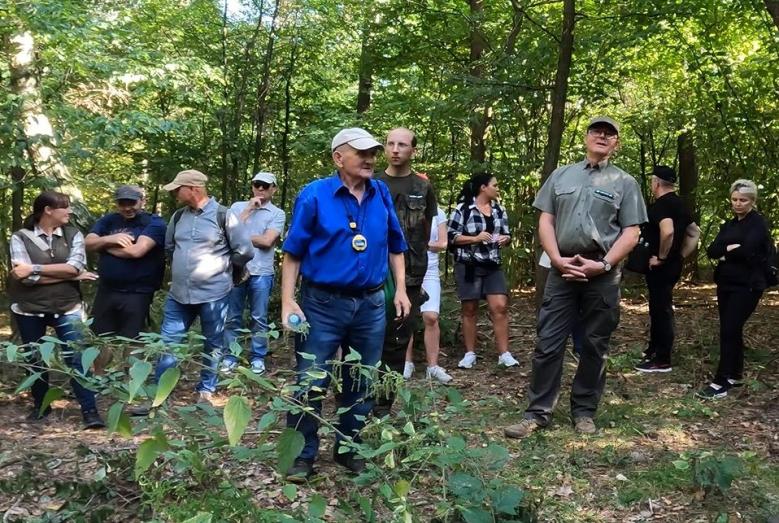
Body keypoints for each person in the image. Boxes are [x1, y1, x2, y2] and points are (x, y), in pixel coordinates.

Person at [504, 116, 647, 438]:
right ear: (586, 136)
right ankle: (537, 413)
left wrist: (604, 265)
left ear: (616, 143)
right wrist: (556, 258)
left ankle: (584, 412)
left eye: (609, 133)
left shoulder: (625, 182)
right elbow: (546, 220)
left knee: (595, 345)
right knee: (548, 343)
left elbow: (632, 232)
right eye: (597, 130)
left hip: (602, 273)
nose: (602, 136)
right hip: (562, 269)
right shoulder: (561, 175)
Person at [281, 128, 410, 481]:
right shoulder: (314, 195)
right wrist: (288, 300)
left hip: (370, 304)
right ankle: (301, 456)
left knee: (362, 379)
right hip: (322, 303)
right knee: (311, 379)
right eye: (361, 153)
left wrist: (400, 289)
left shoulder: (380, 193)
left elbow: (396, 245)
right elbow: (293, 252)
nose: (370, 159)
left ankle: (348, 449)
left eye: (373, 153)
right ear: (339, 157)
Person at [8, 191, 104, 428]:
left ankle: (89, 410)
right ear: (48, 210)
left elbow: (74, 267)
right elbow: (24, 278)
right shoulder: (20, 237)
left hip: (67, 307)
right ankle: (41, 406)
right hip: (29, 309)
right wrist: (70, 275)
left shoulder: (73, 234)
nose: (69, 211)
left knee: (78, 358)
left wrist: (35, 269)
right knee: (35, 359)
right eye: (65, 207)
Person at [154, 170, 253, 401]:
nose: (175, 193)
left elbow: (245, 251)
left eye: (178, 189)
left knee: (213, 343)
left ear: (194, 189)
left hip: (214, 295)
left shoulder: (224, 215)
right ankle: (160, 395)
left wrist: (224, 268)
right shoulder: (178, 216)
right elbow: (170, 247)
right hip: (179, 295)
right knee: (168, 344)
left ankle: (206, 390)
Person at [374, 128, 439, 398]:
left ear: (413, 150)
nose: (395, 149)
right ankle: (360, 397)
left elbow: (425, 231)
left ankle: (384, 402)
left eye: (402, 145)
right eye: (390, 144)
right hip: (373, 273)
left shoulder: (423, 187)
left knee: (398, 339)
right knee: (369, 335)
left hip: (411, 274)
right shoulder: (373, 183)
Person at [697, 179, 771, 399]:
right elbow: (712, 250)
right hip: (726, 283)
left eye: (743, 200)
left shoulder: (757, 224)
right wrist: (730, 249)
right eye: (735, 199)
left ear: (752, 201)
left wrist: (726, 252)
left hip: (748, 285)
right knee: (730, 329)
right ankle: (735, 373)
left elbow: (748, 250)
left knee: (729, 329)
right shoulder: (730, 225)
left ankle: (721, 381)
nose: (738, 204)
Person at [85, 185, 166, 373]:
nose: (127, 208)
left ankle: (132, 381)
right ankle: (100, 378)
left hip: (138, 292)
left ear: (142, 201)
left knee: (133, 339)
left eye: (132, 203)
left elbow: (136, 251)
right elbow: (88, 242)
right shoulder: (109, 221)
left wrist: (103, 246)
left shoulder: (154, 223)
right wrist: (110, 239)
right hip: (107, 290)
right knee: (101, 337)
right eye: (122, 203)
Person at [448, 173, 517, 369]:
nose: (498, 188)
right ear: (483, 188)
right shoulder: (463, 209)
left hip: (493, 264)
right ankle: (470, 353)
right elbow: (451, 237)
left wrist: (505, 239)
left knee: (500, 306)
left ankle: (504, 354)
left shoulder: (499, 209)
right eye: (495, 185)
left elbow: (506, 233)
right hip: (468, 265)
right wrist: (475, 238)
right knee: (469, 309)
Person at [221, 172, 286, 375]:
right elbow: (225, 233)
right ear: (252, 186)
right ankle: (230, 356)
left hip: (262, 273)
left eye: (266, 186)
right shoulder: (237, 207)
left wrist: (239, 236)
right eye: (257, 184)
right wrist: (248, 210)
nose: (261, 189)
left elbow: (267, 241)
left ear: (274, 189)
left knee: (259, 317)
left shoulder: (277, 213)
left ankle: (257, 357)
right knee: (232, 317)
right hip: (236, 270)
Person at [634, 166, 694, 373]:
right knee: (658, 307)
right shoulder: (680, 204)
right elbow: (694, 232)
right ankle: (654, 349)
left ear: (656, 182)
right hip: (672, 265)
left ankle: (662, 359)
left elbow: (667, 231)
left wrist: (662, 258)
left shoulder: (662, 205)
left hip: (660, 266)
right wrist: (680, 256)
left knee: (661, 310)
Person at [403, 205, 453, 384]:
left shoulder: (438, 212)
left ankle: (432, 366)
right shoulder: (402, 210)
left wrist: (421, 245)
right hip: (406, 270)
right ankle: (406, 363)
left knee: (431, 316)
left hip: (429, 270)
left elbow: (443, 244)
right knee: (405, 315)